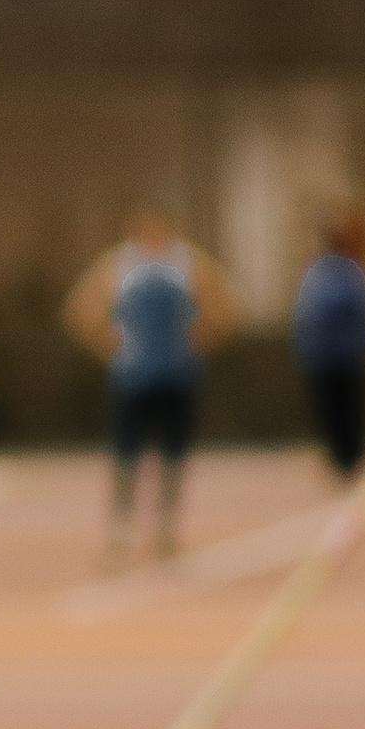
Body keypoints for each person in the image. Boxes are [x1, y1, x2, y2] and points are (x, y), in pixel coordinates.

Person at [65, 210, 236, 566]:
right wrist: (106, 341)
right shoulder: (119, 264)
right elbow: (81, 309)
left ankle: (164, 524)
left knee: (173, 452)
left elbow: (226, 305)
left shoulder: (188, 263)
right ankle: (122, 525)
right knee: (127, 452)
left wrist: (204, 334)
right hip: (134, 377)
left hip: (176, 375)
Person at [291, 210, 365, 478]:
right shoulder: (331, 272)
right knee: (336, 411)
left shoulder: (331, 273)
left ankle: (349, 457)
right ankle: (343, 458)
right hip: (330, 356)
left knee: (344, 410)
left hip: (338, 356)